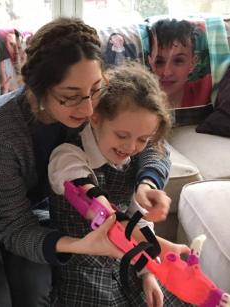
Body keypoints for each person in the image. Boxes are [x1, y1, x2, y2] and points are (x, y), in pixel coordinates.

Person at [0, 18, 172, 307]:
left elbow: (150, 138)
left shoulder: (92, 102)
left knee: (36, 294)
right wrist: (81, 245)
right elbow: (12, 226)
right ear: (38, 89)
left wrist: (148, 181)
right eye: (70, 97)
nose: (88, 109)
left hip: (34, 215)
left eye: (96, 89)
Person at [48, 62, 191, 306]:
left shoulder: (132, 161)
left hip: (127, 262)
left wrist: (148, 272)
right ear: (96, 117)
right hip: (85, 272)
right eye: (122, 136)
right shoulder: (68, 158)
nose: (131, 148)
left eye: (142, 139)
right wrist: (159, 246)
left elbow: (139, 216)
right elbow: (100, 212)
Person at [148, 18, 212, 108]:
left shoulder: (207, 88)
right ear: (150, 62)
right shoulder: (139, 101)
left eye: (178, 61)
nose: (166, 73)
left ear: (193, 63)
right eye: (159, 62)